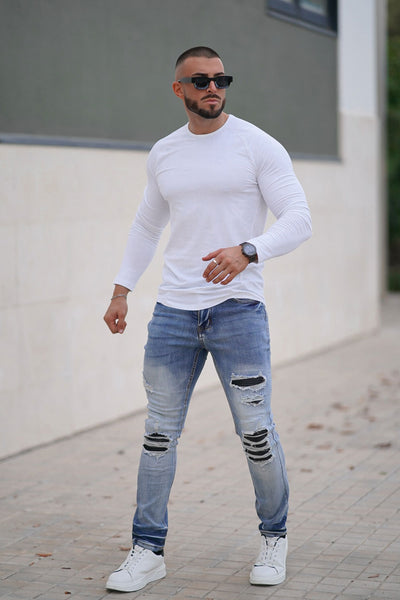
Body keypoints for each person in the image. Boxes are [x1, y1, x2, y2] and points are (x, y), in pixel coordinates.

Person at [103, 46, 312, 593]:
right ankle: (147, 550)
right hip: (173, 314)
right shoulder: (165, 153)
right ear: (180, 89)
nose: (213, 87)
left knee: (256, 434)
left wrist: (249, 249)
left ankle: (274, 538)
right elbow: (146, 226)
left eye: (221, 79)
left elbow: (299, 218)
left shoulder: (256, 145)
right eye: (201, 80)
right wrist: (122, 290)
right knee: (158, 435)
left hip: (237, 313)